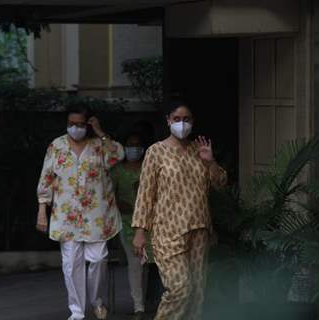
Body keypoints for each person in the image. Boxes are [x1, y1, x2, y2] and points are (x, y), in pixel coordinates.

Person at [131, 100, 228, 320]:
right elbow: (146, 193)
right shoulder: (156, 152)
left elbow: (221, 183)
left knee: (196, 293)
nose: (181, 124)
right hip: (168, 231)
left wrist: (210, 162)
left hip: (199, 228)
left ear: (192, 122)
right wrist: (139, 232)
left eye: (186, 119)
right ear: (168, 121)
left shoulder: (199, 150)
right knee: (180, 288)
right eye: (177, 119)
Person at [35, 103, 124, 320]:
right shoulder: (56, 146)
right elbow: (46, 178)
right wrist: (41, 210)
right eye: (72, 124)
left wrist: (100, 132)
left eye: (81, 124)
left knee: (99, 259)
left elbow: (118, 155)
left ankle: (97, 301)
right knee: (71, 263)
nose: (76, 128)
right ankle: (77, 311)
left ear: (88, 124)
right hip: (66, 217)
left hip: (97, 216)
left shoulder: (98, 145)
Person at [111, 131, 153, 320]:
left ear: (143, 149)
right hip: (128, 223)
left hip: (151, 223)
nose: (133, 148)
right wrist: (120, 204)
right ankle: (138, 307)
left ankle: (155, 302)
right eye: (130, 144)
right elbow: (109, 195)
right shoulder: (118, 171)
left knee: (150, 264)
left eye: (137, 145)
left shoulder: (149, 168)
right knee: (135, 264)